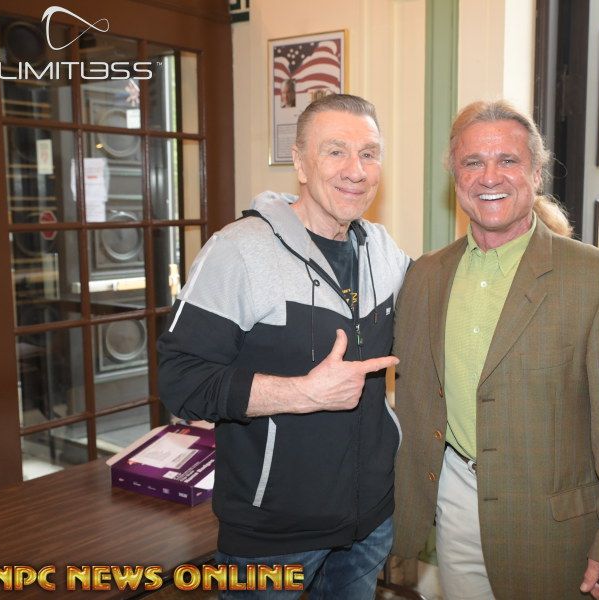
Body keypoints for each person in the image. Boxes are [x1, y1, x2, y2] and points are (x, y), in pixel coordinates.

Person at [391, 100, 599, 600]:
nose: (489, 177)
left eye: (508, 160)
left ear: (536, 173)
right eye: (473, 162)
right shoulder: (425, 275)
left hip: (553, 527)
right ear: (455, 176)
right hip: (454, 505)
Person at [158, 94, 410, 599]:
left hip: (370, 525)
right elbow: (179, 380)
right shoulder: (238, 250)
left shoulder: (384, 251)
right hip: (272, 541)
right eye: (335, 151)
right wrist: (304, 393)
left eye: (369, 153)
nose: (356, 170)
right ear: (299, 162)